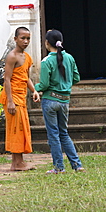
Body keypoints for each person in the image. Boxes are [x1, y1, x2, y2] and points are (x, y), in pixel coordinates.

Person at [35, 29, 84, 174]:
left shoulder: (46, 61)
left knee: (53, 135)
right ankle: (77, 165)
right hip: (64, 101)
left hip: (50, 100)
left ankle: (59, 167)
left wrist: (34, 88)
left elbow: (43, 85)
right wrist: (65, 85)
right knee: (64, 133)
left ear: (46, 43)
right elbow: (76, 78)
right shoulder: (69, 57)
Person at [0, 26, 40, 171]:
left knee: (22, 129)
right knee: (16, 130)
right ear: (15, 39)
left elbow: (25, 77)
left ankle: (18, 162)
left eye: (28, 38)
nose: (26, 41)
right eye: (22, 38)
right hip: (12, 98)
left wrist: (34, 90)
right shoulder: (12, 56)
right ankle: (16, 163)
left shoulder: (27, 57)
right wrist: (10, 101)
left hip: (21, 97)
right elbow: (7, 80)